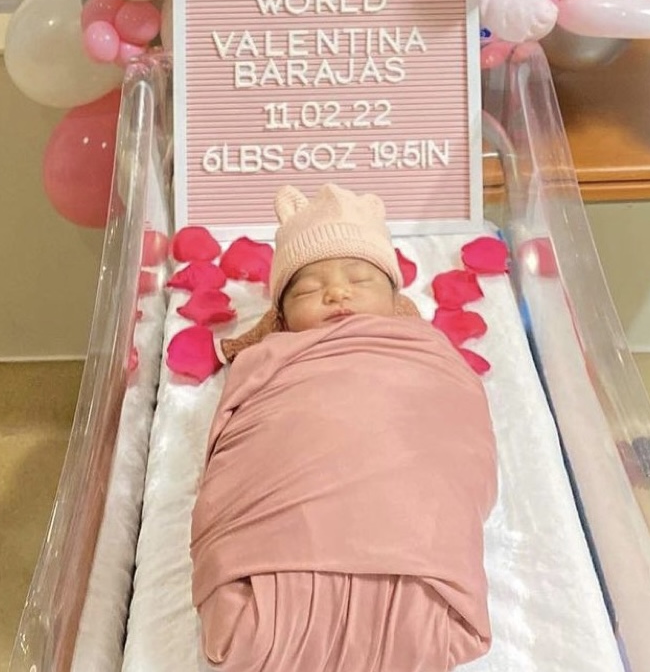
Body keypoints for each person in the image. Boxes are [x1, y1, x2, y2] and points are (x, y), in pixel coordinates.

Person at [191, 184, 498, 672]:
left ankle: (410, 598)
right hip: (279, 506)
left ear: (396, 300)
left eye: (360, 278)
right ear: (281, 317)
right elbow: (236, 430)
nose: (336, 292)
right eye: (308, 289)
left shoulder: (425, 350)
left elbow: (455, 422)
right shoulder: (269, 356)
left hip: (404, 512)